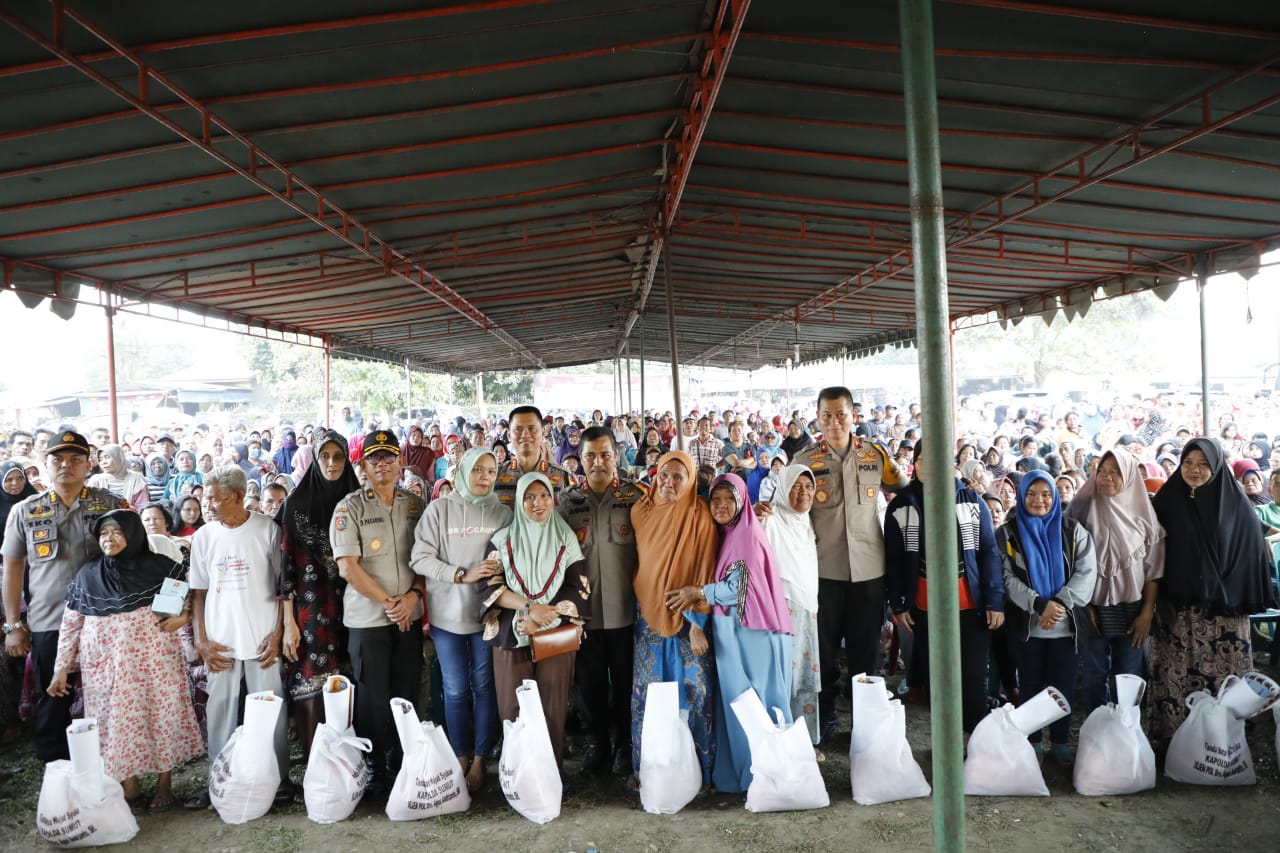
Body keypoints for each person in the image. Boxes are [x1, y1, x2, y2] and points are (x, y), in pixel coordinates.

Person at [49, 510, 202, 811]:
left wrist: (181, 615)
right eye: (104, 533)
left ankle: (164, 785)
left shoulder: (162, 568)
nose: (109, 538)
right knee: (115, 721)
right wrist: (61, 668)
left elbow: (172, 611)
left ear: (133, 535)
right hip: (105, 668)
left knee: (161, 715)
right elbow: (70, 625)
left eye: (117, 532)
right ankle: (129, 786)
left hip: (154, 662)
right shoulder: (88, 575)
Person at [3, 431, 129, 761]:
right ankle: (57, 773)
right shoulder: (25, 511)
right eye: (58, 460)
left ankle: (111, 767)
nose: (66, 466)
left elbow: (137, 560)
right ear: (45, 466)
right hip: (49, 621)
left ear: (89, 463)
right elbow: (13, 568)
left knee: (108, 694)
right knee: (52, 698)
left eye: (75, 459)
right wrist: (14, 623)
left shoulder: (110, 505)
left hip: (103, 620)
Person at [793, 386, 907, 742]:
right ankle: (826, 714)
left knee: (865, 651)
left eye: (841, 414)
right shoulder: (805, 459)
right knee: (824, 652)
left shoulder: (875, 455)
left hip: (870, 571)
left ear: (854, 415)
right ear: (817, 418)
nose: (834, 422)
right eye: (826, 415)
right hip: (822, 571)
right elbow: (786, 502)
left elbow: (904, 489)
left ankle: (864, 719)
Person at [667, 473, 792, 793]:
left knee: (753, 700)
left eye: (729, 499)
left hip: (751, 635)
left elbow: (740, 589)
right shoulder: (731, 532)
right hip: (734, 631)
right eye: (716, 499)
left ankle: (763, 775)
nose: (721, 506)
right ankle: (751, 773)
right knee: (741, 703)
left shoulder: (747, 534)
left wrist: (699, 592)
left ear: (741, 501)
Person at [1148, 438, 1278, 741]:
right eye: (1189, 462)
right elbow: (1152, 551)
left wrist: (1220, 586)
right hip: (1177, 610)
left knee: (1223, 678)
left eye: (1204, 463)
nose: (1195, 469)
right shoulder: (1167, 500)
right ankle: (1178, 741)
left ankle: (1224, 743)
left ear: (1217, 466)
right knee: (1177, 673)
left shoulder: (1235, 504)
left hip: (1223, 613)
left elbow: (1250, 554)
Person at [186, 465, 291, 810]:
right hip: (220, 640)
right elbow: (198, 593)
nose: (207, 504)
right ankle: (220, 779)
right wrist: (201, 640)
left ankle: (277, 781)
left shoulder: (267, 530)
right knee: (220, 713)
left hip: (262, 637)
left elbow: (283, 588)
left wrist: (278, 634)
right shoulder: (204, 537)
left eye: (214, 498)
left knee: (270, 710)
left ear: (235, 496)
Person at [884, 442, 1005, 734]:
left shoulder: (970, 500)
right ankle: (944, 748)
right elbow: (894, 559)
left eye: (936, 459)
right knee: (937, 678)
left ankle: (973, 743)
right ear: (914, 464)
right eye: (922, 460)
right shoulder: (902, 505)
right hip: (924, 605)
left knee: (974, 676)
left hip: (970, 602)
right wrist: (898, 604)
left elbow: (988, 552)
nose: (929, 465)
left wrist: (995, 600)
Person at [411, 446, 511, 794]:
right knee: (454, 688)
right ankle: (460, 755)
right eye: (478, 470)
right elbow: (419, 558)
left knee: (484, 686)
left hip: (487, 616)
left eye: (491, 472)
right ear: (463, 471)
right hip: (447, 616)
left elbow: (512, 557)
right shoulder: (439, 510)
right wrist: (459, 574)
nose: (485, 477)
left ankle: (483, 758)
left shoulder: (501, 513)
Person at [330, 431, 426, 793]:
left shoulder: (415, 504)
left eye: (389, 458)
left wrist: (413, 597)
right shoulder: (350, 508)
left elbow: (427, 557)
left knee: (406, 690)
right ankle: (374, 767)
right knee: (373, 694)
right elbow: (348, 568)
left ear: (400, 463)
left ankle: (405, 762)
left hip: (409, 616)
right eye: (375, 459)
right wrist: (392, 603)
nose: (383, 465)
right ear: (363, 467)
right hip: (369, 620)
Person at [482, 473, 588, 772]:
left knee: (553, 708)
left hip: (554, 635)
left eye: (543, 495)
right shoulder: (502, 540)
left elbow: (577, 585)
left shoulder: (565, 536)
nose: (537, 503)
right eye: (529, 496)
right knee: (512, 708)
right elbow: (490, 586)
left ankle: (549, 776)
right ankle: (518, 777)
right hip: (512, 633)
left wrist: (543, 620)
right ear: (519, 500)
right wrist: (528, 611)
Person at [557, 427, 644, 777]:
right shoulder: (566, 502)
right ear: (581, 459)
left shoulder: (637, 497)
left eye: (605, 454)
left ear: (616, 455)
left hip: (626, 612)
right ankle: (598, 745)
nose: (598, 462)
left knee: (625, 684)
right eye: (590, 455)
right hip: (586, 616)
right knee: (589, 685)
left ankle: (625, 744)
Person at [629, 451, 718, 784]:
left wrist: (698, 624)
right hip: (647, 616)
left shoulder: (701, 516)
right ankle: (648, 771)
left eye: (678, 476)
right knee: (649, 694)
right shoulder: (641, 511)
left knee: (696, 692)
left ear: (691, 479)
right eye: (663, 474)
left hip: (688, 619)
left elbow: (705, 569)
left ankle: (698, 773)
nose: (668, 482)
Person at [997, 471, 1097, 766]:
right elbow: (1005, 577)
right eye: (1031, 494)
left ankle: (1061, 741)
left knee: (1062, 684)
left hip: (1066, 627)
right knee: (1030, 684)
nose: (1038, 500)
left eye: (1045, 494)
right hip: (1028, 626)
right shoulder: (1008, 533)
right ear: (1021, 496)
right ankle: (1033, 741)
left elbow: (1086, 572)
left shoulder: (1072, 530)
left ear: (1054, 498)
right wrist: (1039, 604)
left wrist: (1059, 604)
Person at [276, 431, 360, 758]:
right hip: (310, 609)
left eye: (338, 456)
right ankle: (315, 762)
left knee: (349, 679)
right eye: (324, 456)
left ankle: (348, 760)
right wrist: (289, 622)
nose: (331, 463)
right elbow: (286, 570)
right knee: (312, 680)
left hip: (354, 603)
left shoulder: (356, 498)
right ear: (314, 458)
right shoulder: (296, 504)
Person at [1064, 449, 1164, 712]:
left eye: (1116, 471)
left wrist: (1146, 614)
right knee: (1094, 674)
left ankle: (1125, 730)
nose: (1107, 477)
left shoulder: (1145, 516)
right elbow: (1069, 564)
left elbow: (1154, 571)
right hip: (1091, 605)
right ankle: (1099, 729)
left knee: (1128, 675)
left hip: (1133, 608)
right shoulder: (1080, 509)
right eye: (1102, 470)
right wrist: (1084, 608)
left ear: (1130, 476)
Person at [759, 464, 822, 746]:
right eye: (796, 486)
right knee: (782, 677)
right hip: (781, 609)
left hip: (807, 608)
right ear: (783, 488)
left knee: (806, 677)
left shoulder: (807, 521)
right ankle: (779, 740)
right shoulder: (770, 519)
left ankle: (805, 741)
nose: (803, 492)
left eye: (808, 486)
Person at [495, 406, 572, 508]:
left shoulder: (562, 476)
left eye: (532, 429)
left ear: (543, 432)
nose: (525, 434)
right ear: (509, 435)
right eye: (518, 429)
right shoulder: (495, 475)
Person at [89, 444, 148, 509]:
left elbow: (142, 509)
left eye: (107, 457)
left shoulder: (136, 478)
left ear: (119, 457)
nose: (103, 462)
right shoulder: (96, 480)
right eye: (100, 459)